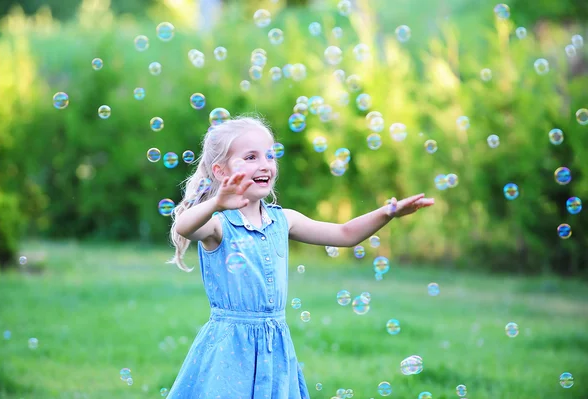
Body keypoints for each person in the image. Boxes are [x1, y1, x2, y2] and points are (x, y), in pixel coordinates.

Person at [167, 116, 434, 398]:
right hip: (230, 349)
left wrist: (387, 213)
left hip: (274, 347)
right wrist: (217, 203)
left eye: (269, 155)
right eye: (250, 156)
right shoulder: (219, 224)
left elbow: (345, 234)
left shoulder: (284, 220)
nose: (264, 164)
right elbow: (185, 226)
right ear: (221, 172)